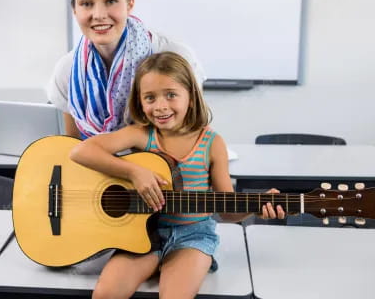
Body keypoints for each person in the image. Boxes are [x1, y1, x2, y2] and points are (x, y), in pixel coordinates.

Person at [70, 52, 285, 299]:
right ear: (140, 103)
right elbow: (80, 151)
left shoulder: (211, 143)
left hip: (193, 236)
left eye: (171, 95)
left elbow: (227, 210)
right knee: (106, 294)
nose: (160, 106)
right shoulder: (141, 135)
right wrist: (134, 171)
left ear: (191, 98)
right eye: (150, 97)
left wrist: (256, 207)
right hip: (143, 235)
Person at [46, 0, 205, 139]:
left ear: (130, 3)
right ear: (75, 9)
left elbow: (190, 139)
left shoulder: (175, 55)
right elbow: (71, 147)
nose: (98, 15)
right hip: (93, 165)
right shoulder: (68, 70)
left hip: (161, 166)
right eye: (86, 3)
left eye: (111, 1)